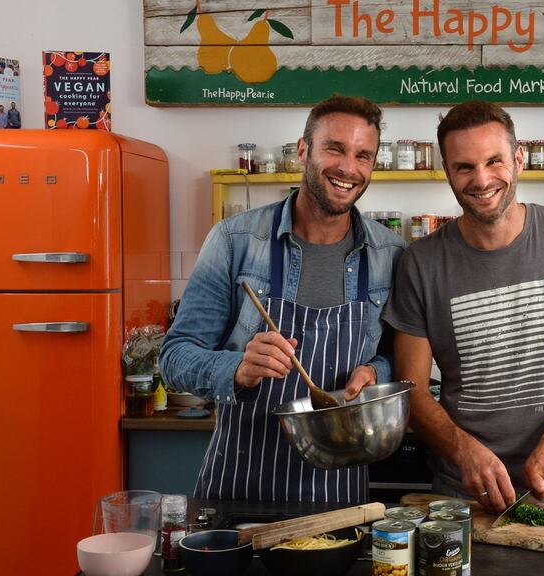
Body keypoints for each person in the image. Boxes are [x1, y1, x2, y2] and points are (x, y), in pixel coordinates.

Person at [378, 101, 544, 512]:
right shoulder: (419, 263)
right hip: (464, 492)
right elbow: (412, 390)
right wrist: (464, 452)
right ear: (447, 172)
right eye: (464, 167)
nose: (481, 179)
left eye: (494, 161)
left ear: (518, 159)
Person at [160, 95, 405, 502]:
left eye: (363, 155)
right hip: (239, 490)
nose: (348, 168)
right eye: (335, 148)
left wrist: (376, 370)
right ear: (304, 150)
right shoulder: (234, 240)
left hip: (339, 498)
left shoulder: (390, 255)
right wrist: (237, 367)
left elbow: (398, 355)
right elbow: (174, 358)